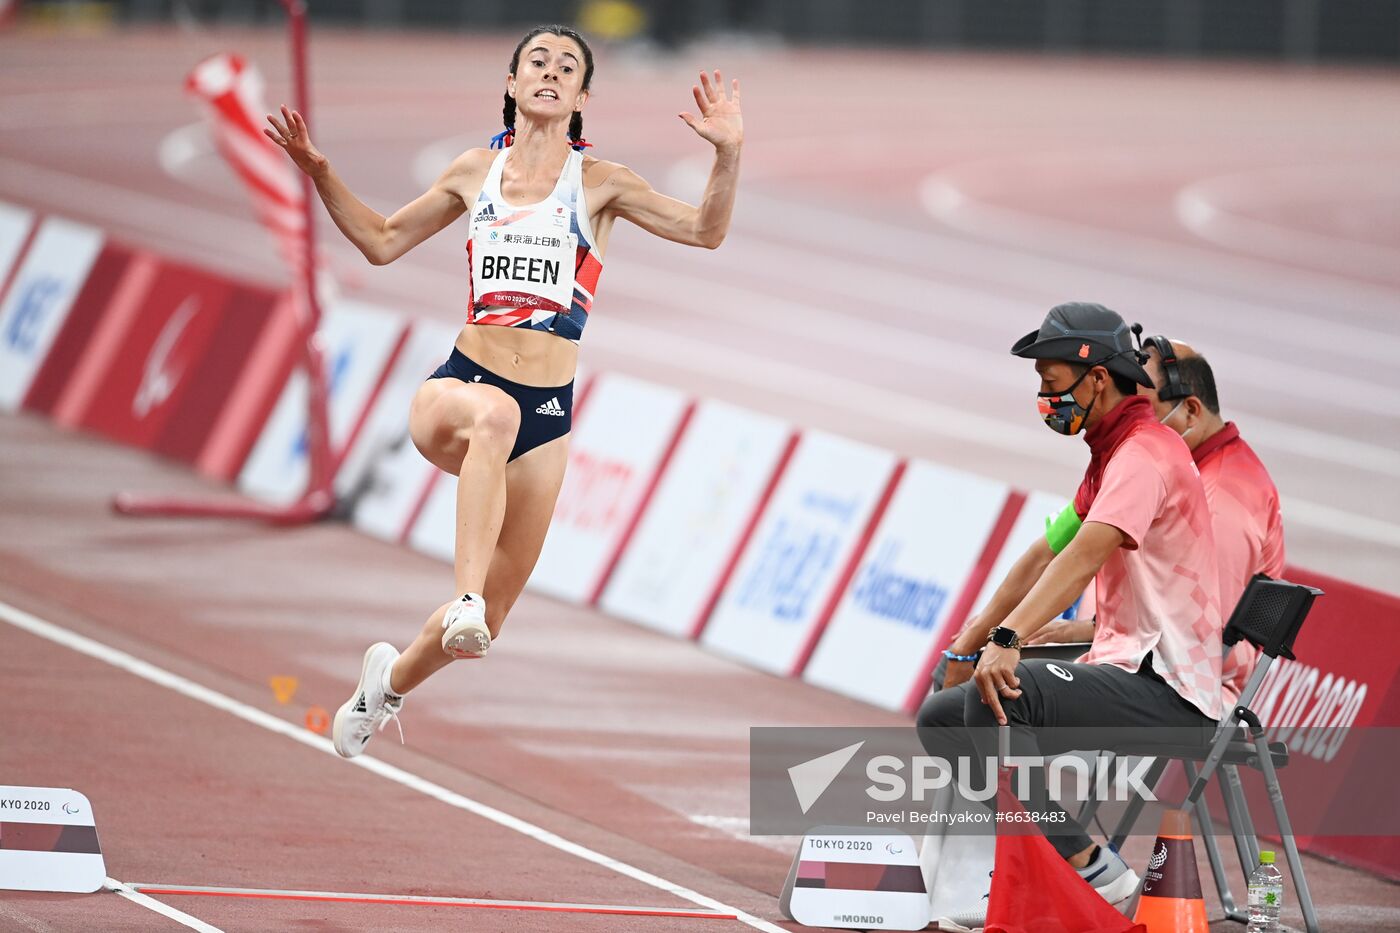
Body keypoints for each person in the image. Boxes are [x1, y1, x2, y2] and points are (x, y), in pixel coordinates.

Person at [263, 25, 743, 758]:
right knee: (492, 418)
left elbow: (706, 232)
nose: (550, 73)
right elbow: (383, 241)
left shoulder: (602, 183)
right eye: (537, 63)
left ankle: (385, 684)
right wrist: (321, 172)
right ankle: (460, 597)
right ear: (513, 85)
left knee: (496, 614)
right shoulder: (472, 172)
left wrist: (727, 153)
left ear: (582, 97)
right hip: (461, 387)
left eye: (568, 67)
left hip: (546, 416)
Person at [916, 302, 1224, 913]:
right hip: (1124, 666)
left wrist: (1005, 640)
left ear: (1098, 379)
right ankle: (1070, 867)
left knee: (998, 694)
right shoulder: (1110, 452)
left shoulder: (1145, 453)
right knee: (940, 719)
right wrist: (965, 643)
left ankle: (1071, 877)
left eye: (1051, 385)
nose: (1043, 399)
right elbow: (1043, 554)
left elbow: (1083, 557)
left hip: (1171, 687)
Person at [1137, 335, 1285, 707]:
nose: (1133, 430)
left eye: (1144, 414)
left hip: (1189, 687)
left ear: (1190, 410)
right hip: (1145, 660)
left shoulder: (1222, 502)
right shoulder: (1183, 471)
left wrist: (1082, 633)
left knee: (1019, 681)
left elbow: (1200, 633)